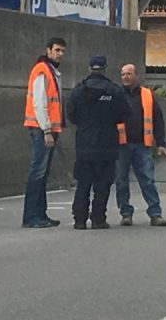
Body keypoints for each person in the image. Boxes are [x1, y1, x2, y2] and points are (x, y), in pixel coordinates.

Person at [67, 55, 129, 230]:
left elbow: (71, 114)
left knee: (83, 184)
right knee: (102, 184)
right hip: (107, 143)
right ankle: (98, 219)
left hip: (85, 143)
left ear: (89, 68)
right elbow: (124, 113)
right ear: (105, 68)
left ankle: (79, 220)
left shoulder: (79, 90)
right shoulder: (114, 90)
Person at [115, 64, 166, 227]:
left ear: (136, 76)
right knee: (121, 180)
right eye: (123, 74)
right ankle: (125, 213)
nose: (125, 76)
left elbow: (158, 120)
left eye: (129, 74)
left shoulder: (147, 95)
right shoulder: (116, 95)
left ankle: (155, 213)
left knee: (147, 179)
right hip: (121, 145)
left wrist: (161, 143)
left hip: (142, 145)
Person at [22, 37, 66, 228]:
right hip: (41, 129)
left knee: (43, 173)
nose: (60, 54)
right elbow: (39, 103)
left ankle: (40, 214)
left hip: (47, 129)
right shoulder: (42, 70)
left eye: (62, 51)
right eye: (57, 50)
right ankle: (32, 216)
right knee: (38, 172)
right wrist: (47, 129)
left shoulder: (51, 71)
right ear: (48, 50)